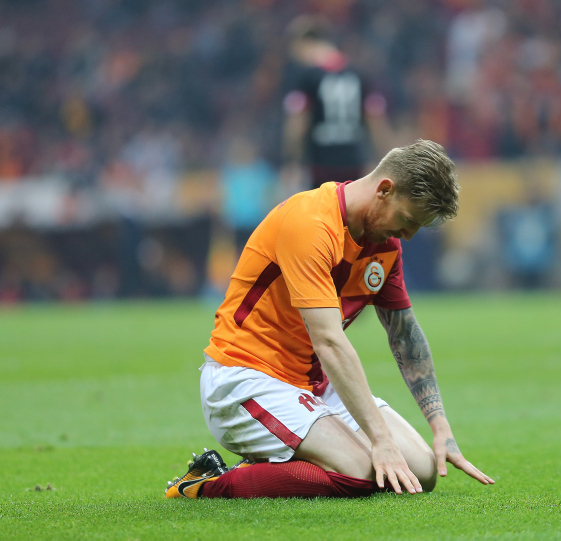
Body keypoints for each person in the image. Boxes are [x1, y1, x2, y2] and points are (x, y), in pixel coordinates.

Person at [165, 140, 494, 499]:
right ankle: (206, 483)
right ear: (385, 190)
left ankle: (288, 458)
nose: (408, 235)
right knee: (361, 472)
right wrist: (381, 440)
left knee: (422, 470)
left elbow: (405, 336)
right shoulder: (310, 223)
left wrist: (440, 426)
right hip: (247, 379)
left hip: (314, 384)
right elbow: (329, 341)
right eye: (408, 220)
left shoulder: (384, 245)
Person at [280, 16, 392, 193]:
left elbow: (297, 122)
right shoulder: (359, 73)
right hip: (355, 164)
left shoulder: (307, 77)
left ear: (305, 43)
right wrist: (384, 160)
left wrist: (291, 161)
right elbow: (376, 120)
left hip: (320, 166)